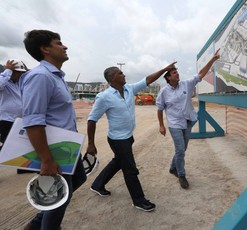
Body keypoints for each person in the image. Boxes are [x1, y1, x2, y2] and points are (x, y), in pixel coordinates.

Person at [87, 62, 176, 212]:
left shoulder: (129, 89)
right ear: (112, 78)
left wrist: (165, 69)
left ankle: (97, 184)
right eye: (120, 73)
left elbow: (148, 80)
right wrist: (91, 143)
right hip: (117, 140)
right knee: (130, 170)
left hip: (128, 136)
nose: (124, 75)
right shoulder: (104, 97)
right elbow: (91, 120)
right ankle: (139, 200)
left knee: (118, 162)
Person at [21, 30, 87, 230]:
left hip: (66, 146)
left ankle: (35, 224)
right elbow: (33, 121)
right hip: (53, 150)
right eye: (59, 43)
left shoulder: (55, 76)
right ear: (45, 49)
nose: (65, 46)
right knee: (58, 198)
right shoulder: (40, 77)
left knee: (78, 179)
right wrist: (46, 159)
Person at [156, 49, 220, 189]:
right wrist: (161, 125)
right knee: (180, 150)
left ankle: (173, 167)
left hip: (188, 121)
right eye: (174, 73)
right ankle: (181, 175)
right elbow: (160, 109)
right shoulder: (163, 92)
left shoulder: (186, 84)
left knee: (182, 149)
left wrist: (212, 60)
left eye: (177, 72)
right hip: (174, 125)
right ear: (168, 77)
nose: (177, 73)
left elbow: (201, 74)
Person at [0, 59, 34, 174]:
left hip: (18, 120)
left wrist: (27, 71)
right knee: (7, 146)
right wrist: (8, 71)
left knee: (22, 143)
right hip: (5, 120)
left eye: (21, 72)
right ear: (12, 72)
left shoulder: (17, 83)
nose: (20, 74)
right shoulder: (4, 80)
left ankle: (22, 168)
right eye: (17, 72)